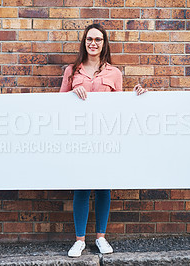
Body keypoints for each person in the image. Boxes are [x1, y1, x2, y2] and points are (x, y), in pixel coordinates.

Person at [59, 24, 148, 257]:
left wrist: (136, 97)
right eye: (90, 39)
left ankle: (100, 237)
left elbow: (120, 107)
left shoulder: (114, 74)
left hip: (105, 138)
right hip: (79, 138)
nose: (93, 43)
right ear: (84, 42)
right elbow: (58, 106)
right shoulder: (72, 71)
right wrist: (71, 95)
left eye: (98, 39)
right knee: (81, 187)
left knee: (103, 187)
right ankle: (79, 240)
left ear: (104, 43)